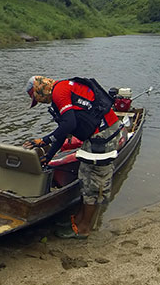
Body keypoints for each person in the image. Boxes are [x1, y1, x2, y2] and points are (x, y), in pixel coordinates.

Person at [23, 75, 123, 238]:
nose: (40, 102)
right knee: (84, 175)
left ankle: (83, 229)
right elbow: (64, 130)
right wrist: (48, 157)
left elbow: (69, 124)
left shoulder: (59, 92)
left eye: (37, 98)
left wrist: (43, 141)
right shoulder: (60, 92)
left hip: (105, 135)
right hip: (97, 135)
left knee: (92, 181)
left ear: (40, 88)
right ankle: (78, 219)